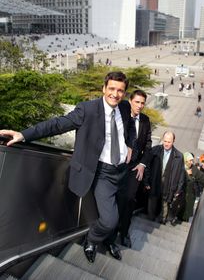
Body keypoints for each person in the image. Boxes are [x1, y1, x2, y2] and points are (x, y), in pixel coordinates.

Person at [0, 71, 135, 264]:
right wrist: (23, 135)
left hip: (122, 170)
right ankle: (92, 239)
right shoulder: (87, 110)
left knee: (121, 210)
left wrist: (130, 144)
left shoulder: (123, 107)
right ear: (103, 88)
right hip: (103, 173)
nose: (115, 94)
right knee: (109, 220)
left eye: (120, 90)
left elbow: (129, 128)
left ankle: (111, 241)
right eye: (111, 88)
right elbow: (57, 124)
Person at [119, 89, 152, 248]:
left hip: (134, 167)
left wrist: (143, 164)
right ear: (130, 101)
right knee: (116, 197)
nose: (139, 106)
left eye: (142, 103)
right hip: (118, 164)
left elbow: (148, 145)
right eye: (137, 102)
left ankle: (124, 233)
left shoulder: (145, 120)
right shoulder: (121, 114)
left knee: (130, 199)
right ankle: (109, 229)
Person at [144, 131, 185, 226]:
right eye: (165, 141)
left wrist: (178, 189)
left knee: (164, 204)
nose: (166, 144)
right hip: (154, 182)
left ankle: (162, 221)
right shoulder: (155, 150)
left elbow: (181, 174)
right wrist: (146, 181)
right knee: (152, 202)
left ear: (173, 141)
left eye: (169, 142)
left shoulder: (179, 156)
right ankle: (150, 221)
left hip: (169, 185)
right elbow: (147, 166)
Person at [179, 152, 204, 222]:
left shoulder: (193, 168)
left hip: (189, 196)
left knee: (186, 214)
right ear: (185, 160)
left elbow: (200, 176)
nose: (192, 162)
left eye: (192, 160)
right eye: (190, 160)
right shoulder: (179, 166)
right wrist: (186, 173)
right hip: (180, 195)